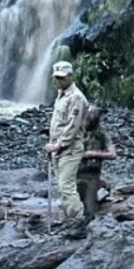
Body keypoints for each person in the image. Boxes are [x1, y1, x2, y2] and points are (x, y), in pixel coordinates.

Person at [44, 60, 89, 222]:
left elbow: (72, 126)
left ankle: (78, 221)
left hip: (70, 149)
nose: (58, 81)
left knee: (66, 186)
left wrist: (58, 145)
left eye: (62, 78)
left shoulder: (76, 98)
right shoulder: (61, 95)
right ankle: (66, 219)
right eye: (56, 78)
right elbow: (59, 123)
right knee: (62, 188)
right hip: (58, 149)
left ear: (71, 76)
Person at [77, 105, 116, 221]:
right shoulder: (77, 132)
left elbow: (112, 154)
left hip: (91, 176)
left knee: (90, 210)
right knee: (72, 208)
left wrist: (92, 154)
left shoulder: (102, 135)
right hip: (74, 174)